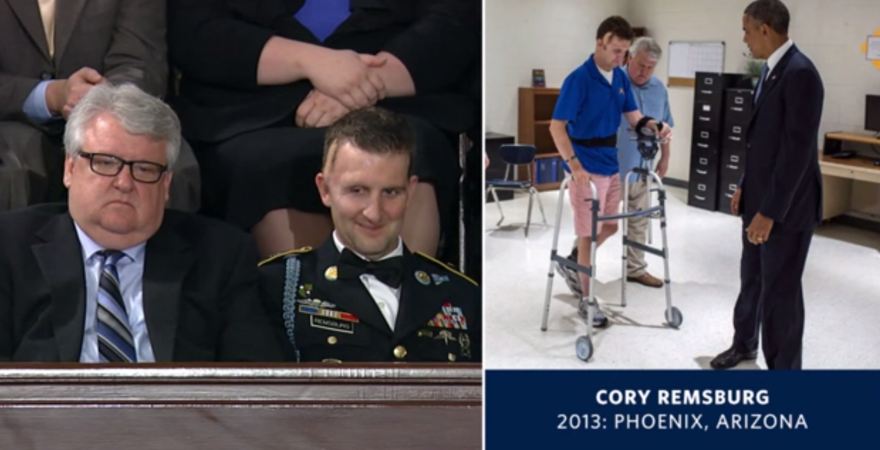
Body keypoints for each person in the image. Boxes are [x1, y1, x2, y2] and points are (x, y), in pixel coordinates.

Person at [167, 0, 481, 259]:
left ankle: (408, 319)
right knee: (266, 164)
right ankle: (303, 322)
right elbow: (196, 30)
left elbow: (453, 24)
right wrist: (311, 62)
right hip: (253, 111)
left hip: (395, 97)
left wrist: (363, 85)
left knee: (404, 148)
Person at [0, 84, 282, 363]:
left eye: (145, 169)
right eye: (106, 162)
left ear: (166, 184)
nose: (124, 183)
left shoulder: (221, 257)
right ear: (70, 169)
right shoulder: (10, 247)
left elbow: (256, 383)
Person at [259, 107, 481, 363]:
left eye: (390, 192)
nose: (374, 213)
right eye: (357, 190)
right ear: (325, 190)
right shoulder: (278, 286)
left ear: (410, 191)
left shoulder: (462, 293)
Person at [0, 0, 200, 213]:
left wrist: (101, 103)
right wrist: (52, 96)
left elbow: (140, 62)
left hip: (116, 110)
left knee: (167, 169)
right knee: (12, 172)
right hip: (11, 119)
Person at [710, 0, 824, 370]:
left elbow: (795, 155)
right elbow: (762, 143)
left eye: (746, 30)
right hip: (758, 198)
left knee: (782, 296)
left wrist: (769, 213)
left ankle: (785, 373)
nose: (743, 38)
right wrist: (745, 184)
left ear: (765, 29)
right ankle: (744, 344)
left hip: (786, 210)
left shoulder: (801, 73)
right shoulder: (773, 70)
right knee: (753, 281)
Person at [549, 16, 672, 328]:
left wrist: (655, 126)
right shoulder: (579, 79)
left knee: (612, 228)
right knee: (589, 235)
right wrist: (574, 165)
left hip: (611, 164)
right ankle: (587, 301)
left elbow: (634, 117)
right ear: (599, 43)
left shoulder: (618, 79)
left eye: (624, 53)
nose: (621, 59)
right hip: (586, 168)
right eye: (616, 51)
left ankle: (574, 263)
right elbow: (556, 127)